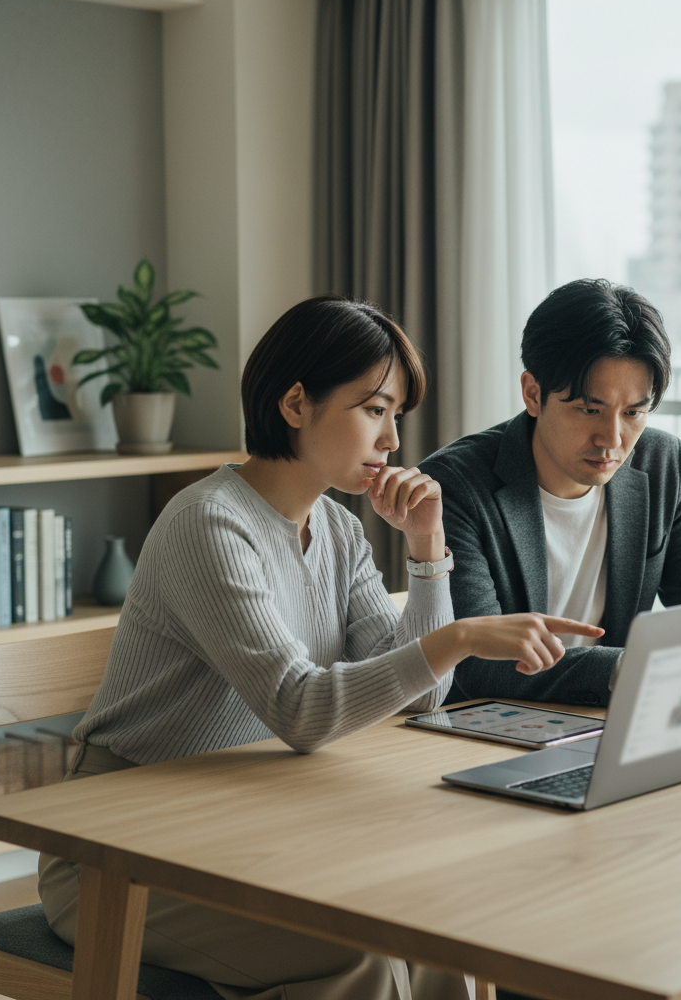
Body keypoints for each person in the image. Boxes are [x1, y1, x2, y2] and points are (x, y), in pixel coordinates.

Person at [37, 294, 602, 1000]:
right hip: (117, 852)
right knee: (355, 959)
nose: (393, 440)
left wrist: (427, 551)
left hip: (242, 823)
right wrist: (459, 637)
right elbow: (301, 710)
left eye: (395, 415)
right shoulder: (210, 525)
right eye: (374, 409)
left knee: (433, 928)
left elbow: (421, 696)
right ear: (296, 404)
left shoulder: (337, 531)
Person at [420, 278, 681, 709]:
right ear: (533, 394)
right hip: (485, 731)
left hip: (611, 719)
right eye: (590, 410)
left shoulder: (662, 464)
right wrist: (623, 669)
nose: (612, 439)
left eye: (634, 413)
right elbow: (474, 662)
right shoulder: (455, 486)